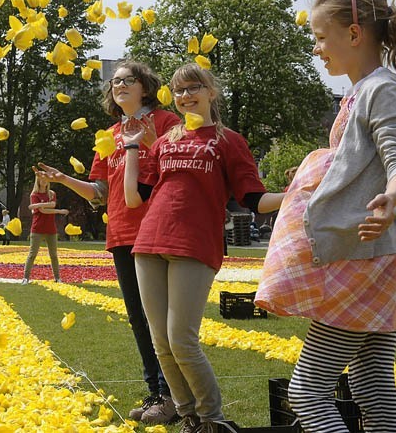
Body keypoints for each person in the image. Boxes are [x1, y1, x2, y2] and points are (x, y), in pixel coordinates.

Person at [255, 0, 396, 433]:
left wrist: (390, 197)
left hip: (367, 257)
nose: (317, 49)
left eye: (321, 37)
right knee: (371, 382)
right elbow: (361, 164)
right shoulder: (364, 90)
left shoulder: (379, 90)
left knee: (307, 390)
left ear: (355, 34)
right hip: (382, 256)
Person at [122, 63, 284, 433]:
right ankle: (190, 417)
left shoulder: (229, 141)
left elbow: (254, 199)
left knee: (182, 338)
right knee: (160, 340)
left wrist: (297, 194)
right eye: (178, 91)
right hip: (149, 241)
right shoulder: (165, 142)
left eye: (193, 87)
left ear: (212, 92)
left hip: (195, 244)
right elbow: (136, 198)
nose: (185, 96)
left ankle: (213, 419)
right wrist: (133, 147)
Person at [35, 60, 180, 424]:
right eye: (115, 82)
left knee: (159, 318)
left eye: (128, 80)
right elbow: (99, 191)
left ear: (145, 87)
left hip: (158, 229)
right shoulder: (109, 134)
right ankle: (155, 393)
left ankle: (171, 395)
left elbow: (180, 169)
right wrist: (64, 179)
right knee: (138, 318)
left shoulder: (166, 123)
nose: (119, 86)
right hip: (121, 233)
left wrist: (152, 143)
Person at [22, 171, 69, 284]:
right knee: (32, 254)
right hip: (37, 228)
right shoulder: (34, 195)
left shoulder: (52, 194)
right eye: (42, 179)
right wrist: (56, 210)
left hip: (51, 229)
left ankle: (57, 278)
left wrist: (38, 204)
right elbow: (43, 211)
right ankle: (25, 278)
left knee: (54, 255)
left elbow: (52, 205)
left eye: (46, 179)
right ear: (38, 181)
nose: (44, 181)